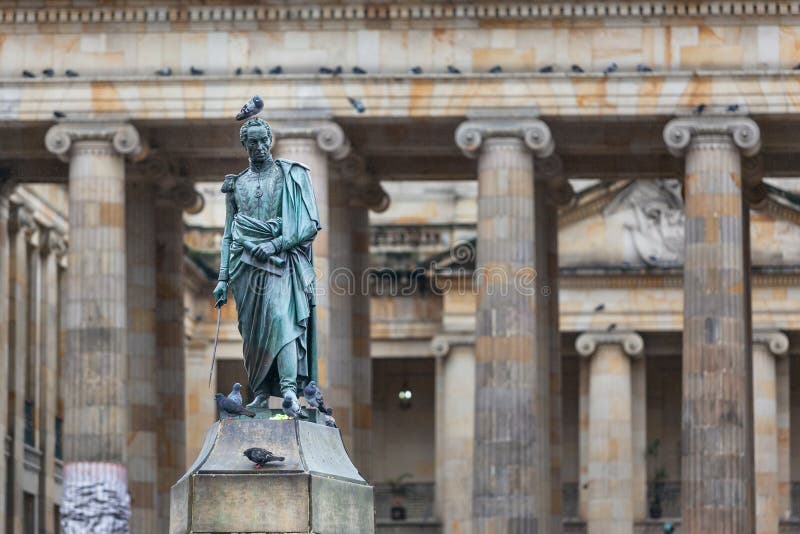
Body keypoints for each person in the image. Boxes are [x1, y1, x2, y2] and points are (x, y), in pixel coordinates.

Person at [212, 117, 320, 415]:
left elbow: (308, 224)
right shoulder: (236, 184)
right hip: (245, 267)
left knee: (281, 320)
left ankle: (288, 389)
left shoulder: (290, 175)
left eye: (263, 140)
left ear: (270, 140)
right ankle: (260, 392)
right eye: (252, 142)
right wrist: (223, 278)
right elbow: (229, 233)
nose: (259, 147)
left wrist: (275, 244)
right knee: (252, 333)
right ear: (244, 145)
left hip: (282, 262)